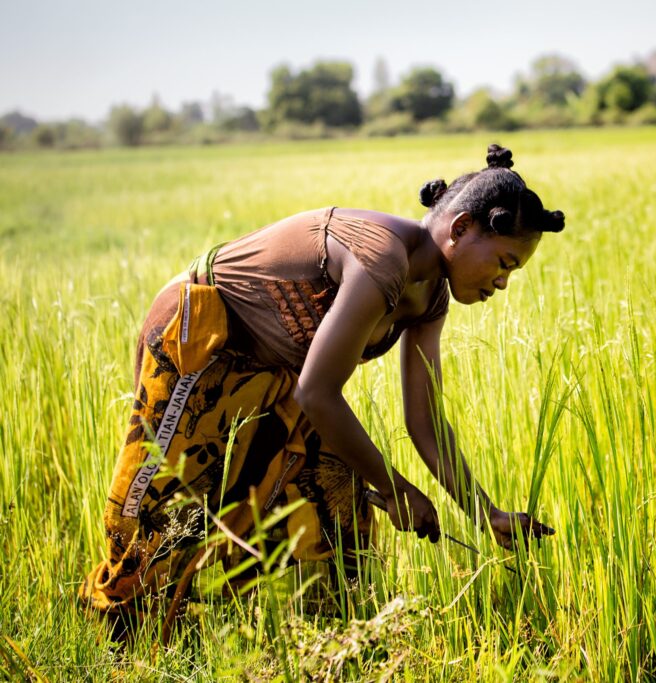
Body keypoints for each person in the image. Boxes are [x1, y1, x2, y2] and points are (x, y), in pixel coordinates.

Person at [81, 144, 562, 640]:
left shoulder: (431, 296)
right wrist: (398, 489)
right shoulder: (381, 257)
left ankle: (334, 644)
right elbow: (318, 392)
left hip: (275, 373)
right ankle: (124, 644)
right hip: (200, 340)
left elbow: (425, 423)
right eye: (503, 262)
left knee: (336, 495)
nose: (502, 282)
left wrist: (485, 512)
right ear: (460, 228)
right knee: (161, 512)